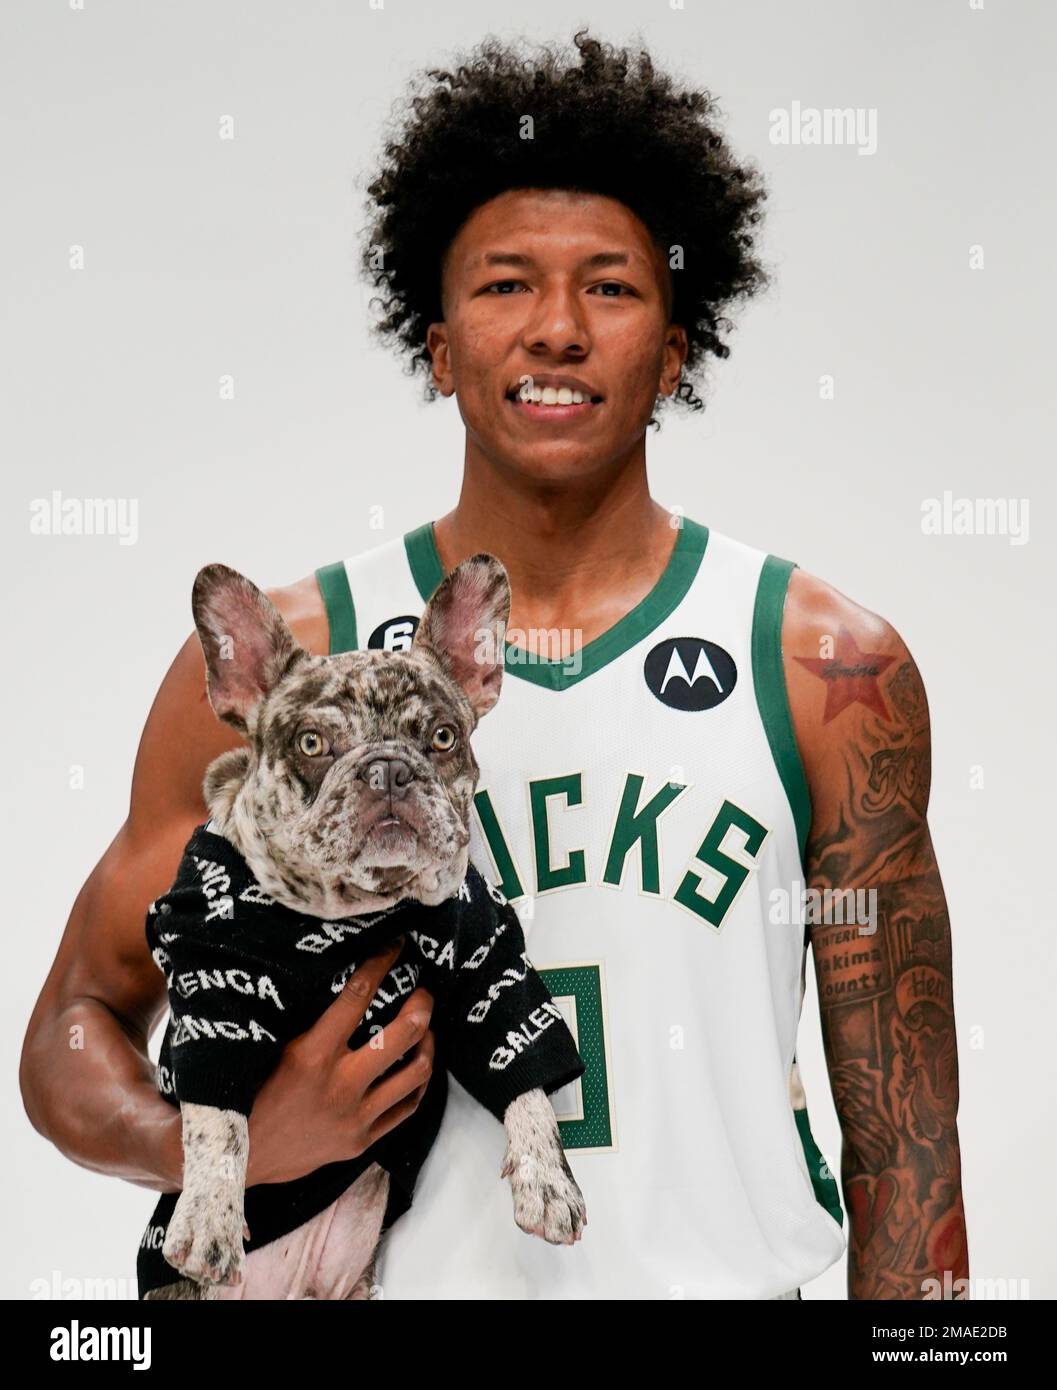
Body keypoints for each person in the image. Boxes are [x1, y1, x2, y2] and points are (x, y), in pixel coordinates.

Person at [20, 29, 967, 1299]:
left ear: (677, 352)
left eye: (614, 288)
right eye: (506, 285)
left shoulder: (822, 664)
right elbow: (72, 1027)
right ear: (441, 346)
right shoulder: (293, 671)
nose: (559, 330)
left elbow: (904, 1143)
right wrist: (234, 1154)